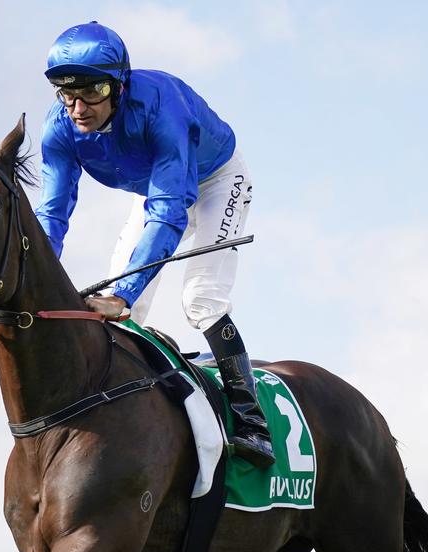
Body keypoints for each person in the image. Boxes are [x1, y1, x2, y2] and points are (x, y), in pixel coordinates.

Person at [35, 21, 273, 468]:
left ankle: (250, 419)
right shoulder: (60, 128)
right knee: (130, 314)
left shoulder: (161, 109)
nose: (78, 107)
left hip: (215, 180)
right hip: (157, 190)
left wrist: (123, 294)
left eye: (93, 91)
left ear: (120, 86)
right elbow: (52, 215)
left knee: (200, 298)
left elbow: (169, 211)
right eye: (65, 92)